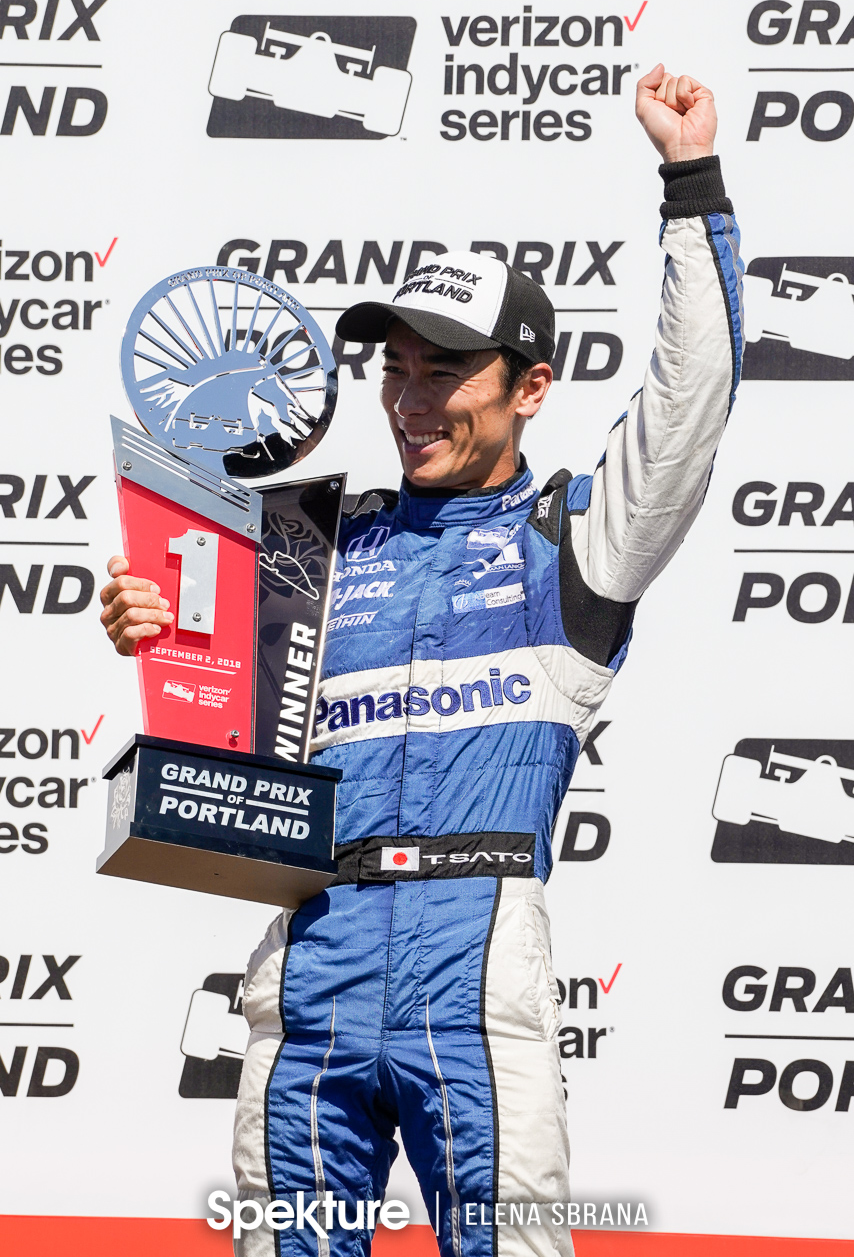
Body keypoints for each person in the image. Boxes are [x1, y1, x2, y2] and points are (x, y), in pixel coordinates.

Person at [99, 65, 742, 1257]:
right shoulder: (311, 542)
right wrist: (159, 616)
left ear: (530, 386)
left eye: (443, 369)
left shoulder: (577, 540)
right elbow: (215, 722)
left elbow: (690, 396)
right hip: (314, 951)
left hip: (477, 951)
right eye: (393, 368)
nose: (409, 398)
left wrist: (688, 179)